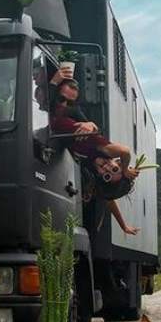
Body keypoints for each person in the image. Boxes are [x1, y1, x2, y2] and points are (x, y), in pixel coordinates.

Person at [48, 70, 140, 236]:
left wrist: (123, 225)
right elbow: (125, 151)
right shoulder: (97, 145)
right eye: (114, 169)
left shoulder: (89, 165)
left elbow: (108, 199)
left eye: (106, 175)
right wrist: (126, 170)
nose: (106, 169)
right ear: (115, 161)